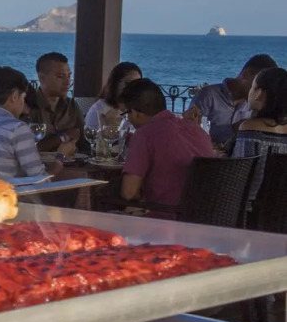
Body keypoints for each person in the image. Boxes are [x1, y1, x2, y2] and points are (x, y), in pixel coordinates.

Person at [0, 66, 69, 181]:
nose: (23, 103)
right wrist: (60, 157)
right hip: (7, 196)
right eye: (23, 98)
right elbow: (40, 180)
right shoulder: (17, 129)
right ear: (14, 96)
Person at [121, 78, 217, 213]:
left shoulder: (145, 134)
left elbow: (129, 193)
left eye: (126, 114)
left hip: (166, 217)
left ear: (135, 112)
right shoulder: (198, 130)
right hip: (204, 217)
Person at [186, 53, 278, 147]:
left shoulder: (255, 103)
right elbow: (189, 132)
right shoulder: (208, 95)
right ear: (246, 75)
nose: (260, 93)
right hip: (207, 156)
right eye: (259, 86)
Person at [231, 67, 287, 208]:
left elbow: (238, 177)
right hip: (279, 212)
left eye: (253, 87)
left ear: (260, 94)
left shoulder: (250, 128)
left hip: (248, 211)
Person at [24, 51, 83, 154]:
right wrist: (64, 136)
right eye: (61, 76)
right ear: (42, 78)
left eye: (69, 76)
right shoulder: (28, 106)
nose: (67, 81)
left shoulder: (72, 106)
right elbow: (27, 149)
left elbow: (84, 142)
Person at [83, 60, 142, 136]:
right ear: (115, 84)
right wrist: (108, 125)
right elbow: (90, 140)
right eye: (129, 83)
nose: (133, 88)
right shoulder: (99, 109)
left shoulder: (138, 112)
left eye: (138, 84)